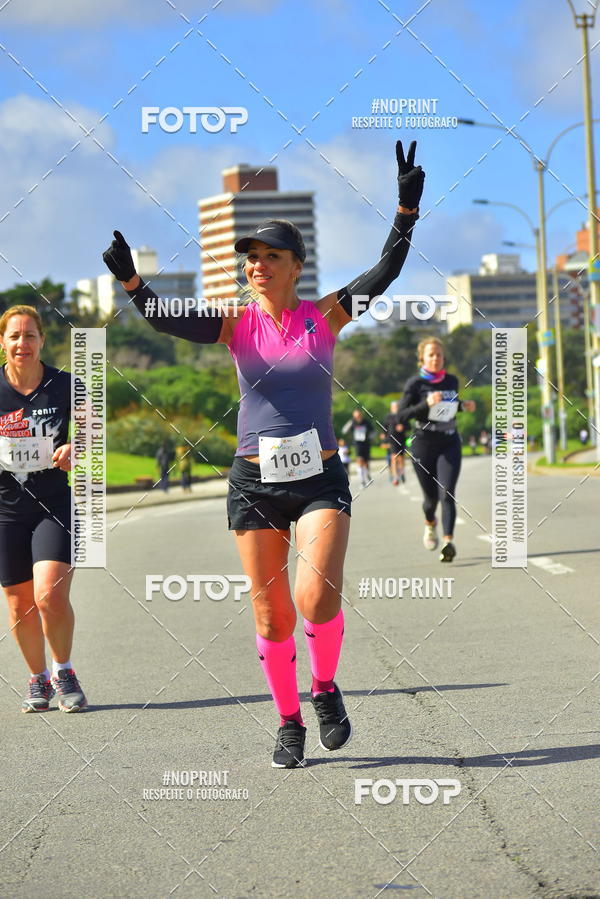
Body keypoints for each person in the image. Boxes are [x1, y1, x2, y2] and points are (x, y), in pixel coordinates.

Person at [103, 139, 424, 768]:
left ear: (295, 265)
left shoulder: (327, 315)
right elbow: (166, 320)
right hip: (254, 481)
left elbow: (385, 271)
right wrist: (131, 280)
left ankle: (325, 688)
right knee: (273, 618)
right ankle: (288, 722)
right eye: (249, 257)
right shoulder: (234, 324)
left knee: (315, 597)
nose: (256, 265)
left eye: (269, 256)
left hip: (321, 476)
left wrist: (405, 210)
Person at [0, 305, 87, 713]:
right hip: (5, 509)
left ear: (42, 341)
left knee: (49, 593)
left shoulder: (66, 385)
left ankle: (63, 669)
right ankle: (37, 679)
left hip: (53, 502)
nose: (22, 343)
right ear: (3, 342)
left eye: (30, 335)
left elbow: (93, 436)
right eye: (14, 336)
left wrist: (77, 448)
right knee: (19, 602)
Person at [398, 337, 475, 563]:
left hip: (449, 441)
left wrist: (463, 405)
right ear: (422, 358)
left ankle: (448, 542)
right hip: (422, 444)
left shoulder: (451, 381)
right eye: (431, 355)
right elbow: (401, 415)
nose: (436, 358)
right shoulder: (415, 384)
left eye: (439, 354)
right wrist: (426, 404)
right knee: (431, 499)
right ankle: (430, 523)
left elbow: (449, 405)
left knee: (447, 493)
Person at [342, 409, 374, 487]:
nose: (357, 417)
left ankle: (367, 473)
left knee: (366, 462)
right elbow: (344, 431)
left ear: (361, 415)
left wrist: (369, 437)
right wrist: (350, 422)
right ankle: (362, 480)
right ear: (354, 416)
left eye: (359, 415)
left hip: (366, 444)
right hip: (357, 444)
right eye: (355, 416)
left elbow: (373, 432)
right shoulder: (352, 422)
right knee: (359, 460)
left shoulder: (366, 422)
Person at [381, 400, 407, 485]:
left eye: (397, 407)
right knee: (394, 458)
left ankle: (402, 472)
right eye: (394, 407)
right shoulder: (388, 416)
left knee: (401, 458)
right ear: (391, 408)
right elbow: (385, 427)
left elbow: (408, 426)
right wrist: (383, 436)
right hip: (392, 440)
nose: (395, 408)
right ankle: (395, 477)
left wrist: (403, 427)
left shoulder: (402, 416)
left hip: (401, 440)